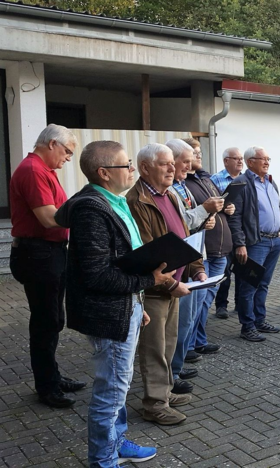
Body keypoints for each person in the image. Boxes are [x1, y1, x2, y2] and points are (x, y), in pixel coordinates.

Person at [55, 140, 168, 466]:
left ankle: (116, 442)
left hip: (125, 306)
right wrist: (149, 282)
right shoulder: (92, 210)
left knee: (120, 383)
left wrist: (137, 303)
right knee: (112, 389)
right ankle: (103, 459)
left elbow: (123, 261)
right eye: (126, 164)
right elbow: (97, 275)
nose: (132, 169)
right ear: (104, 173)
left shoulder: (113, 201)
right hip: (109, 312)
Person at [9, 124, 86, 408]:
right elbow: (48, 218)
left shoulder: (44, 170)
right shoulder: (33, 170)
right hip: (39, 254)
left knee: (53, 319)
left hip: (48, 252)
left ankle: (52, 376)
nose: (68, 158)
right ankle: (47, 386)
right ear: (52, 144)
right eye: (67, 152)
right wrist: (84, 212)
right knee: (45, 322)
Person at [126, 143, 203, 425]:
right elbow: (146, 252)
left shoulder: (169, 194)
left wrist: (197, 268)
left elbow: (184, 236)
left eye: (173, 163)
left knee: (169, 344)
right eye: (164, 164)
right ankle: (155, 404)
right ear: (145, 168)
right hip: (155, 289)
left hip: (175, 283)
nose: (172, 168)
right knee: (154, 349)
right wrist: (170, 285)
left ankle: (165, 393)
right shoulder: (137, 201)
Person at [165, 139, 221, 396]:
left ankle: (176, 366)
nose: (189, 166)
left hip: (194, 258)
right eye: (185, 161)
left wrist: (205, 219)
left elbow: (189, 221)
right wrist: (203, 211)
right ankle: (171, 373)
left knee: (188, 319)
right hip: (179, 263)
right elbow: (179, 224)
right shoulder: (169, 190)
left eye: (191, 161)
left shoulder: (182, 186)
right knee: (177, 323)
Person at [184, 138, 235, 360]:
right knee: (197, 300)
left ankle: (199, 340)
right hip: (204, 249)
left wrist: (227, 207)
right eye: (194, 153)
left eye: (199, 153)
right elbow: (189, 215)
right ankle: (188, 345)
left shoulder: (205, 179)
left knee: (205, 301)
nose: (198, 156)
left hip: (220, 249)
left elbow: (216, 205)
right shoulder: (182, 184)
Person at [228, 146, 280, 342]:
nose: (267, 162)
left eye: (268, 159)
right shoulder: (240, 183)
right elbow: (234, 217)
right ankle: (247, 326)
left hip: (274, 240)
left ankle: (260, 320)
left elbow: (278, 207)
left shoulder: (270, 181)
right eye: (262, 159)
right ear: (250, 162)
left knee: (264, 284)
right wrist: (240, 244)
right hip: (255, 243)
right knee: (249, 285)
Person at [212, 147, 244, 319]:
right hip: (224, 233)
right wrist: (224, 207)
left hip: (242, 233)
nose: (240, 161)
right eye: (236, 158)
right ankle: (221, 306)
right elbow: (209, 205)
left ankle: (240, 303)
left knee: (242, 270)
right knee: (224, 272)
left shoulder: (245, 180)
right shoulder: (215, 180)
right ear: (226, 161)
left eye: (241, 158)